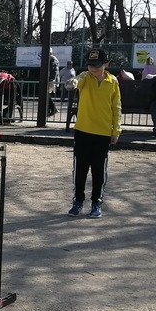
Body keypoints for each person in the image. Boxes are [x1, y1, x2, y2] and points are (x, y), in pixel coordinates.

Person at [68, 47, 120, 219]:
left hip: (103, 132)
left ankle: (97, 201)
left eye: (97, 65)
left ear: (106, 64)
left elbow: (116, 108)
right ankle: (78, 200)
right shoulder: (85, 77)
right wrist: (73, 83)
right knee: (80, 169)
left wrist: (116, 130)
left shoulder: (113, 82)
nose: (93, 68)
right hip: (83, 130)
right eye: (90, 65)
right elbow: (77, 81)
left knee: (99, 170)